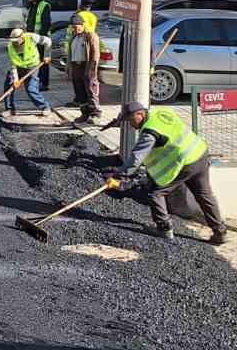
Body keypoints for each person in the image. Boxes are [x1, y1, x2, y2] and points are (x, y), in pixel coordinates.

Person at [105, 101, 228, 245]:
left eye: (131, 120)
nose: (131, 124)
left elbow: (136, 159)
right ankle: (220, 233)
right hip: (200, 153)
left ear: (140, 114)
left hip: (185, 163)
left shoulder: (149, 132)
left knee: (156, 193)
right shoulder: (161, 113)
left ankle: (164, 229)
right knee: (204, 195)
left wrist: (118, 175)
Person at [3, 28, 52, 116]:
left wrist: (47, 55)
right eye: (13, 41)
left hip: (32, 66)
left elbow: (48, 41)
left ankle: (45, 107)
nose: (15, 43)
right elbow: (12, 65)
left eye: (16, 40)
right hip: (18, 67)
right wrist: (16, 79)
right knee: (9, 85)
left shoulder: (31, 37)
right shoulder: (10, 47)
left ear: (22, 37)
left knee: (30, 88)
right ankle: (10, 109)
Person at [65, 13, 102, 122]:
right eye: (73, 27)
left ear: (82, 25)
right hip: (76, 67)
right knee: (79, 91)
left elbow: (95, 54)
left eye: (76, 27)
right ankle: (84, 114)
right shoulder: (73, 37)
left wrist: (92, 69)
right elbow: (70, 54)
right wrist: (68, 67)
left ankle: (95, 114)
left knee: (91, 91)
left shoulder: (91, 36)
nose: (75, 29)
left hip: (86, 66)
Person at [23, 0, 51, 91]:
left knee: (43, 62)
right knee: (35, 61)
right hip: (31, 39)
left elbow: (46, 24)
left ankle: (44, 83)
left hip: (41, 39)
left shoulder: (44, 5)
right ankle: (36, 81)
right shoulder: (31, 6)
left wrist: (40, 39)